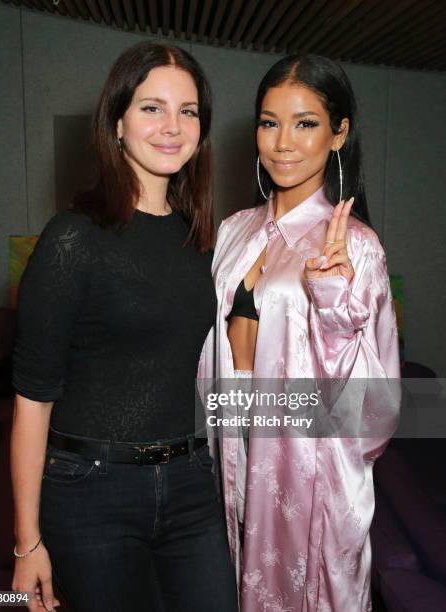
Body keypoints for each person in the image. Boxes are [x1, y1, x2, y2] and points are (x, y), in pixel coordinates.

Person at [11, 42, 238, 612]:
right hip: (92, 492)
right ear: (117, 122)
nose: (172, 127)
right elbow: (32, 401)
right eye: (151, 108)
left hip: (191, 482)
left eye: (188, 111)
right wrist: (25, 543)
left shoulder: (202, 243)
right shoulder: (73, 236)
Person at [199, 54, 400, 611]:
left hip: (306, 479)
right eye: (269, 122)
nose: (283, 142)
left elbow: (374, 417)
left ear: (339, 135)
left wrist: (335, 313)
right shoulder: (234, 231)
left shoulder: (355, 246)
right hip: (227, 455)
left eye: (305, 122)